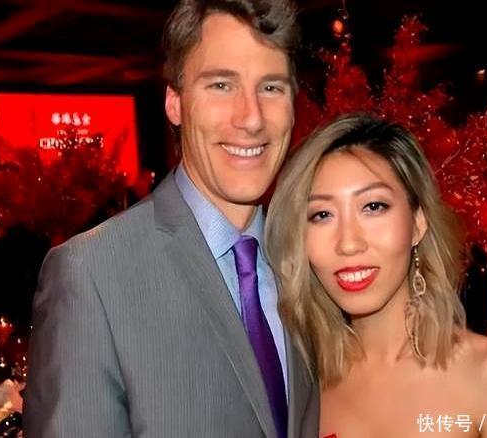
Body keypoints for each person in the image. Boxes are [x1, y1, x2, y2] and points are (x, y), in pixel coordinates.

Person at [23, 1, 319, 436]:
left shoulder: (311, 259)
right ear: (175, 103)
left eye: (271, 87)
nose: (252, 118)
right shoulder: (92, 275)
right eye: (221, 85)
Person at [265, 113, 487, 437]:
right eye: (322, 214)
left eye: (373, 207)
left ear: (417, 223)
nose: (348, 243)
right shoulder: (302, 380)